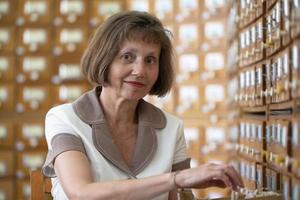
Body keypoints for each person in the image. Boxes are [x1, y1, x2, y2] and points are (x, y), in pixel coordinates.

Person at [42, 10, 244, 200]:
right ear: (104, 59)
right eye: (127, 57)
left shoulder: (172, 128)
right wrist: (177, 178)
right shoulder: (64, 118)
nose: (140, 70)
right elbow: (81, 193)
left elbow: (179, 196)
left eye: (150, 60)